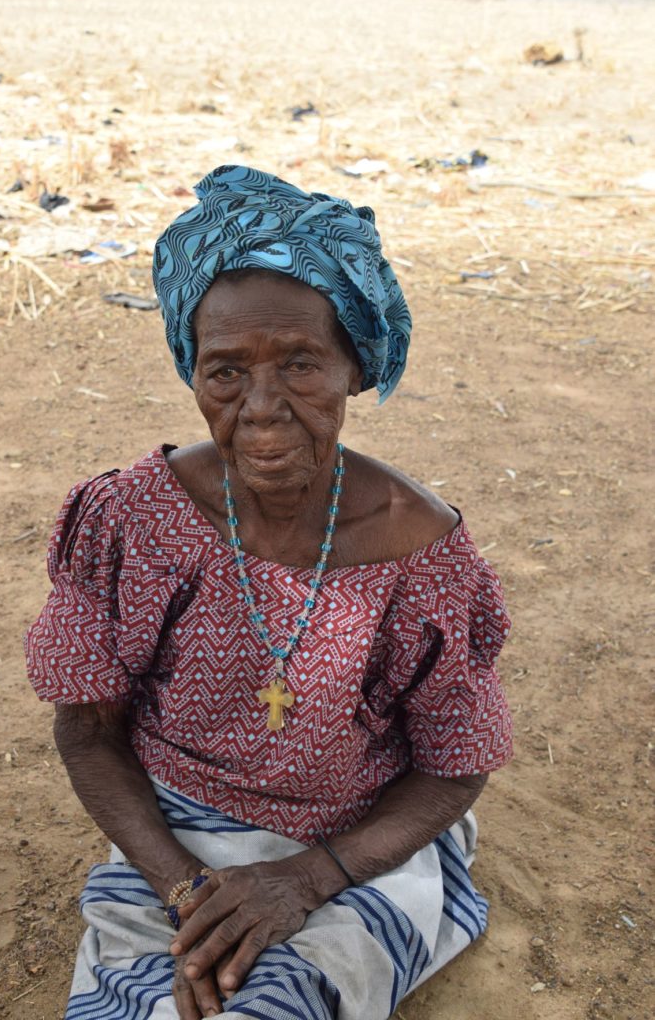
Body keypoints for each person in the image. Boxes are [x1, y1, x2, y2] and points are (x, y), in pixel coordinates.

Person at [25, 164, 513, 1020]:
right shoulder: (132, 520)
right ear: (192, 373)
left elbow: (453, 767)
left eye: (299, 363)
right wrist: (189, 894)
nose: (260, 407)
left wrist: (307, 878)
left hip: (354, 847)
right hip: (169, 841)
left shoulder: (421, 552)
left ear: (354, 365)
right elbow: (88, 731)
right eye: (224, 372)